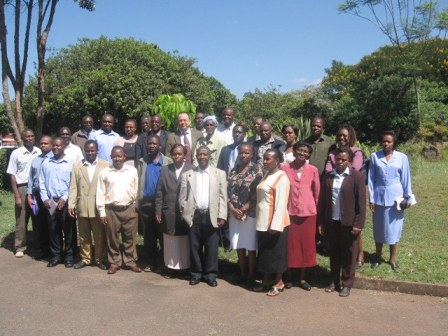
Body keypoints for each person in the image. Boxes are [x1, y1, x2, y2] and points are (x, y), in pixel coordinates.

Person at [318, 147, 366, 297]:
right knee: (334, 252)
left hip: (349, 222)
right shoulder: (329, 177)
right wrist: (321, 222)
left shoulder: (356, 177)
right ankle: (334, 280)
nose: (340, 162)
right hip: (332, 221)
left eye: (344, 159)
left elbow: (361, 204)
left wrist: (358, 224)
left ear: (350, 161)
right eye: (338, 159)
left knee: (349, 254)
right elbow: (323, 202)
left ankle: (346, 283)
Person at [178, 146, 227, 287]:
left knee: (212, 247)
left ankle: (210, 275)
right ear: (196, 156)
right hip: (194, 215)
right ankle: (196, 274)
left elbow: (223, 197)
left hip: (211, 216)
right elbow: (182, 198)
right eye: (200, 154)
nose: (202, 156)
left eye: (205, 154)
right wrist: (184, 213)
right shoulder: (188, 174)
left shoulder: (219, 174)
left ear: (209, 156)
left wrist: (222, 215)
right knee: (194, 247)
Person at [368, 131, 416, 272]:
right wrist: (371, 198)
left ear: (394, 143)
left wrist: (408, 197)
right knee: (379, 229)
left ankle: (393, 259)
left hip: (396, 199)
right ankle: (377, 257)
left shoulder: (402, 158)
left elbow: (406, 179)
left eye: (389, 141)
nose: (386, 144)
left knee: (394, 230)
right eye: (384, 141)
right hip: (379, 197)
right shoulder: (375, 156)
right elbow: (371, 179)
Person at [281, 142, 320, 291]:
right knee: (291, 245)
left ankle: (303, 278)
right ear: (295, 151)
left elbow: (317, 192)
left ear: (308, 155)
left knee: (306, 245)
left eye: (305, 152)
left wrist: (315, 208)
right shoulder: (285, 168)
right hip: (290, 211)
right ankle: (289, 276)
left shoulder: (313, 170)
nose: (302, 153)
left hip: (308, 213)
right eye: (300, 150)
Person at [97, 146, 142, 274]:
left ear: (124, 157)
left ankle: (130, 261)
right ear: (111, 157)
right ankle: (114, 262)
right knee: (112, 238)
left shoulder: (132, 171)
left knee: (130, 237)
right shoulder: (104, 172)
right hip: (111, 210)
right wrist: (102, 212)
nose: (117, 158)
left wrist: (135, 206)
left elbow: (136, 189)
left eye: (120, 156)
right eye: (115, 156)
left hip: (129, 208)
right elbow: (100, 192)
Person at [325, 124, 365, 267]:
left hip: (350, 191)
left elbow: (356, 169)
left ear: (350, 137)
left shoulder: (357, 152)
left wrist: (340, 167)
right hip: (335, 192)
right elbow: (329, 169)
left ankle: (360, 253)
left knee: (354, 225)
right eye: (340, 135)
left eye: (345, 136)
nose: (342, 138)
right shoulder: (333, 153)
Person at [253, 149, 290, 297]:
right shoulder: (267, 175)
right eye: (264, 158)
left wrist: (275, 225)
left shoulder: (282, 177)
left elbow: (281, 203)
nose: (265, 161)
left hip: (276, 223)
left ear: (277, 160)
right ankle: (266, 280)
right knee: (265, 253)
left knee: (277, 254)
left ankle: (279, 282)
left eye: (268, 159)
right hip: (262, 221)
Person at [68, 140, 109, 270]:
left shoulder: (105, 165)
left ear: (97, 150)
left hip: (97, 206)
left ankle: (99, 259)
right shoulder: (77, 165)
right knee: (83, 235)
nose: (90, 153)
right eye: (88, 150)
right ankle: (85, 258)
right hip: (82, 205)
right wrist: (71, 204)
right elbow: (73, 186)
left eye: (93, 150)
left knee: (99, 235)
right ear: (84, 150)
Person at [227, 143, 263, 287]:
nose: (243, 155)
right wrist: (231, 208)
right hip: (234, 214)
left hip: (250, 214)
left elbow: (257, 193)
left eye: (246, 153)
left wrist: (244, 208)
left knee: (250, 245)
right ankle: (242, 273)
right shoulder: (234, 170)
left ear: (252, 154)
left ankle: (251, 275)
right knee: (239, 244)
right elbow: (228, 190)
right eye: (241, 153)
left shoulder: (256, 170)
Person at [155, 144, 193, 275]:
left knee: (184, 239)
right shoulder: (165, 170)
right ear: (171, 155)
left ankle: (184, 267)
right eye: (174, 154)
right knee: (170, 238)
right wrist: (158, 211)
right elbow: (159, 192)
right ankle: (170, 267)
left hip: (185, 211)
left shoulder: (191, 169)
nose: (177, 156)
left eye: (180, 154)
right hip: (169, 210)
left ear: (184, 155)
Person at [137, 135, 172, 272]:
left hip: (162, 204)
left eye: (154, 143)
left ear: (160, 146)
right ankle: (150, 262)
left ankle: (163, 263)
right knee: (148, 236)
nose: (151, 146)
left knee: (163, 235)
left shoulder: (167, 162)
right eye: (149, 143)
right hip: (146, 204)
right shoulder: (142, 162)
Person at [39, 138, 75, 267]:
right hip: (51, 202)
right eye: (53, 146)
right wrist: (45, 198)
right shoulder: (46, 162)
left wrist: (65, 198)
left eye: (58, 146)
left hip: (65, 201)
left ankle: (69, 256)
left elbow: (73, 183)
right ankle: (56, 255)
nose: (55, 148)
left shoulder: (71, 163)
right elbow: (41, 181)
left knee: (68, 230)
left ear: (64, 147)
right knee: (53, 229)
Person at [7, 129, 41, 257]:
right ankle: (20, 246)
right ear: (22, 138)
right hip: (22, 187)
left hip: (36, 188)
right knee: (21, 218)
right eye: (27, 136)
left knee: (37, 217)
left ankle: (38, 246)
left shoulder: (39, 151)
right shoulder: (16, 153)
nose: (29, 138)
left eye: (32, 136)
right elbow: (12, 175)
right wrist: (17, 195)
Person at [26, 135, 52, 258]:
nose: (43, 145)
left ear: (51, 144)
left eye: (46, 143)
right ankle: (43, 250)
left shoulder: (55, 158)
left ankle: (54, 252)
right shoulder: (35, 159)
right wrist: (29, 195)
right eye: (41, 143)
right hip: (37, 196)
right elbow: (30, 178)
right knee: (40, 223)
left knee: (52, 223)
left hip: (50, 196)